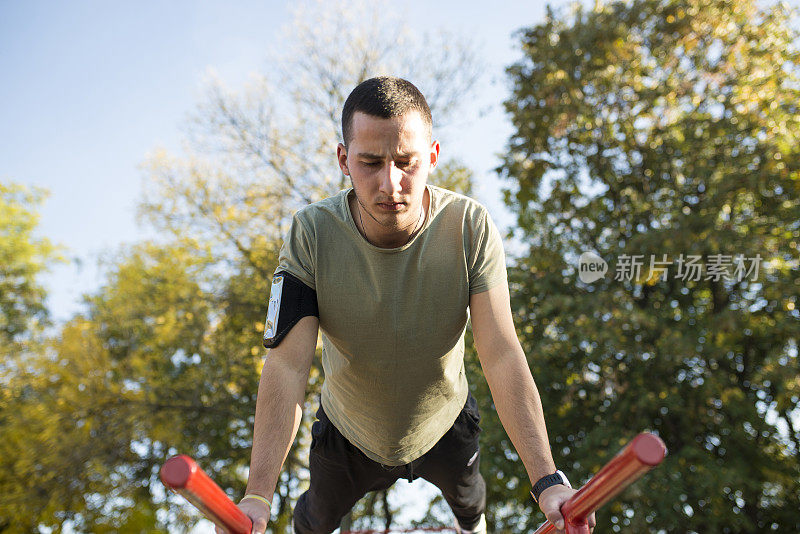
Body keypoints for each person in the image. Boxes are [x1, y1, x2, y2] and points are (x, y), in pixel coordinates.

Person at [219, 76, 596, 534]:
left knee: (470, 498)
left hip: (444, 420)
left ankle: (470, 525)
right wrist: (257, 495)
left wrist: (548, 481)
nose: (390, 183)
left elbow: (500, 352)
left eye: (406, 162)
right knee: (315, 516)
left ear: (432, 156)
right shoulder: (311, 234)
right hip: (347, 428)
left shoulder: (469, 227)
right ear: (344, 160)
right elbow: (287, 366)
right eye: (370, 163)